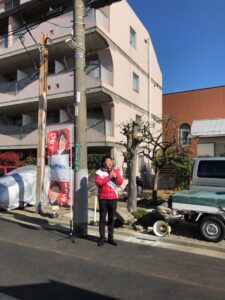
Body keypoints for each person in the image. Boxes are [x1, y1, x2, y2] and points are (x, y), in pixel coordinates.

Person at [95, 155, 123, 247]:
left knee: (111, 219)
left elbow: (120, 183)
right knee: (102, 219)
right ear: (104, 163)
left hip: (113, 198)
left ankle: (111, 238)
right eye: (108, 161)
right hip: (103, 198)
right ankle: (102, 238)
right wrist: (108, 177)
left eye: (111, 161)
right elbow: (99, 183)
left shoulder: (115, 171)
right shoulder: (99, 172)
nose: (110, 163)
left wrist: (115, 177)